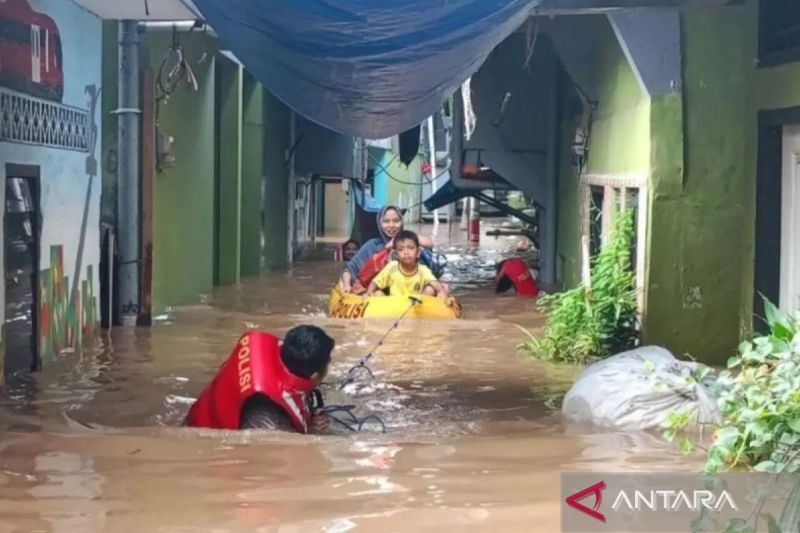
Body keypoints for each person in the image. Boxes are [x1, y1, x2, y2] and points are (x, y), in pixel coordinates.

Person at [184, 325, 334, 434]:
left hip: (200, 412)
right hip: (203, 435)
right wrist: (313, 432)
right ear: (315, 376)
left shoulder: (265, 349)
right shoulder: (270, 422)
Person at [341, 205, 441, 294]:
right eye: (386, 221)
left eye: (396, 220)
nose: (391, 225)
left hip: (413, 294)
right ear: (379, 223)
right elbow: (349, 269)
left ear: (402, 222)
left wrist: (397, 239)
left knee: (430, 289)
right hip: (381, 297)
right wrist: (347, 285)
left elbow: (431, 242)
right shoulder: (372, 246)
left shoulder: (411, 242)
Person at [366, 230, 449, 300]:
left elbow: (434, 283)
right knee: (377, 293)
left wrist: (441, 292)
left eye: (410, 248)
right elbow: (375, 282)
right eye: (401, 249)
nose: (406, 252)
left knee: (430, 290)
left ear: (418, 252)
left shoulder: (422, 270)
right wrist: (368, 293)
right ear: (396, 254)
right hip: (394, 305)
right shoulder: (392, 267)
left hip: (414, 306)